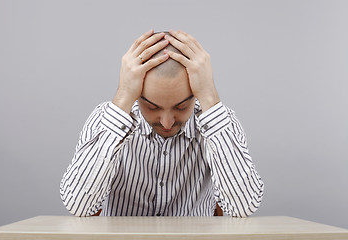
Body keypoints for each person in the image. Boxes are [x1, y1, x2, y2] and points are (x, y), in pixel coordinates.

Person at [60, 29, 264, 217]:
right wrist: (122, 98)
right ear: (137, 94)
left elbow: (243, 207)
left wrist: (209, 95)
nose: (167, 123)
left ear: (195, 94)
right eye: (153, 107)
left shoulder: (219, 121)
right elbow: (78, 206)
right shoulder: (106, 120)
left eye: (181, 107)